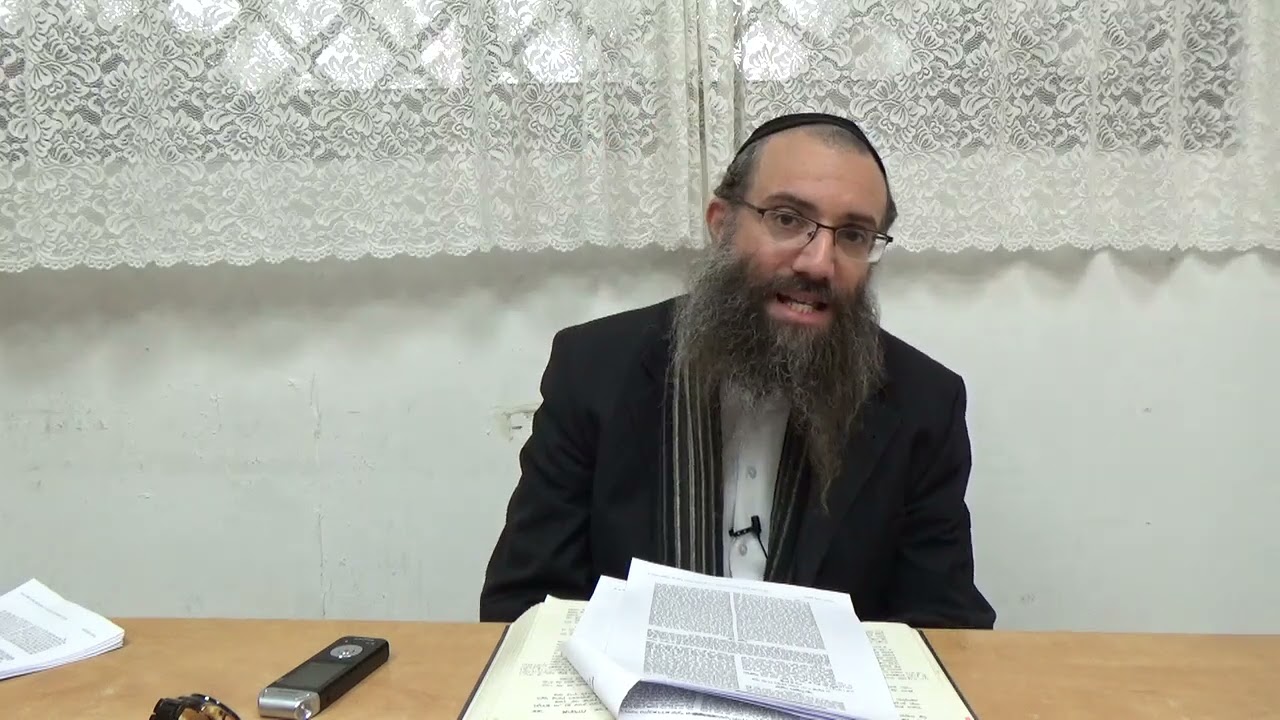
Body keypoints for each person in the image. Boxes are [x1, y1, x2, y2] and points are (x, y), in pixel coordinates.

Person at [479, 112, 996, 629]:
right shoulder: (594, 369)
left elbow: (944, 626)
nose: (819, 263)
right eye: (788, 219)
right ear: (721, 222)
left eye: (854, 235)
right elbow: (525, 604)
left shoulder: (924, 402)